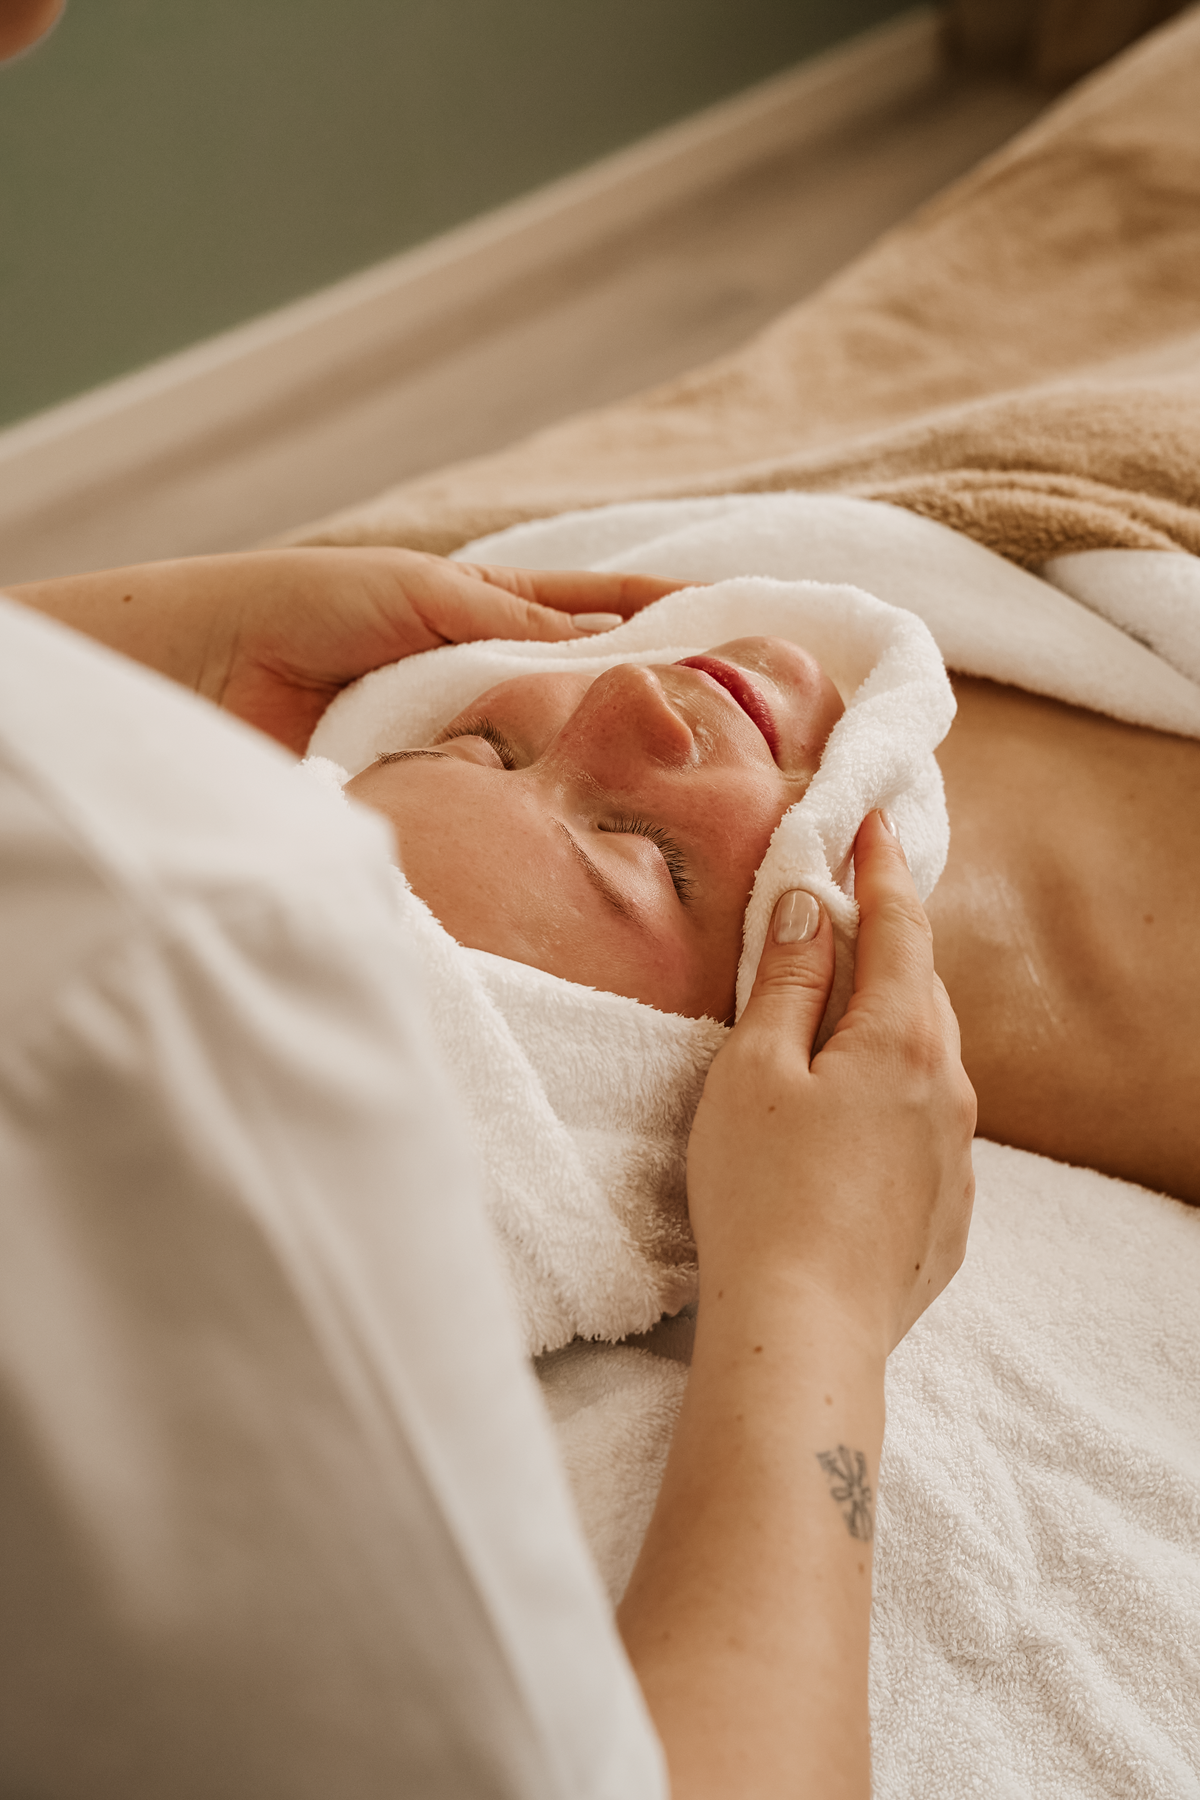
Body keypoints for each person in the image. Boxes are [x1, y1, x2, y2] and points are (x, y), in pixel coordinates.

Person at [2, 540, 976, 1797]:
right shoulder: (243, 1216)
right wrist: (816, 1289)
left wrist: (185, 655)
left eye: (476, 744)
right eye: (642, 858)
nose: (630, 687)